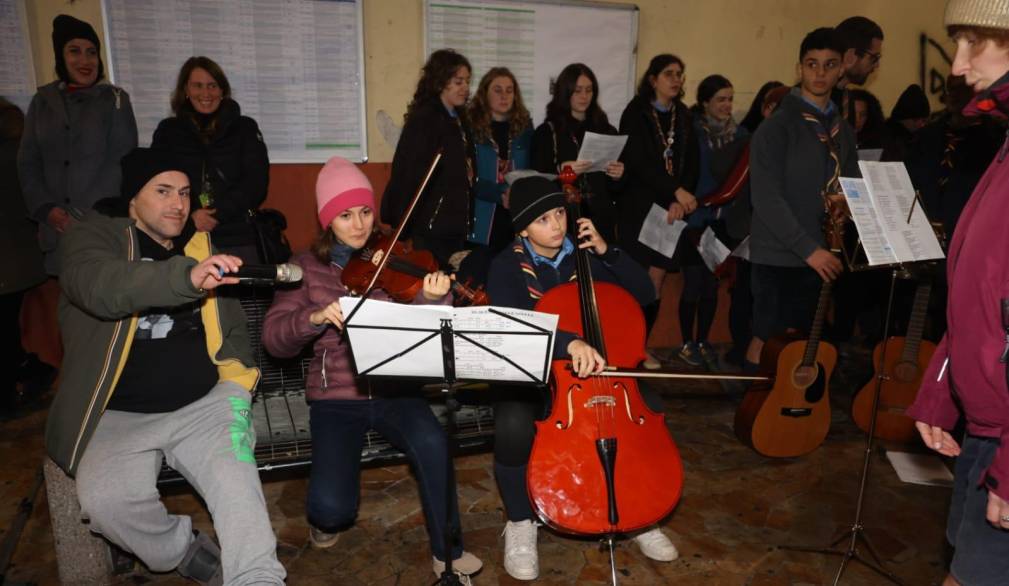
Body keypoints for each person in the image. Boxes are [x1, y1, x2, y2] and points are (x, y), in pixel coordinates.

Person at [47, 147, 285, 584]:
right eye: (162, 191)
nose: (178, 204)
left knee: (239, 493)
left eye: (184, 193)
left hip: (205, 405)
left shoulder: (202, 245)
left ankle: (257, 578)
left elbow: (231, 325)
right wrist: (186, 277)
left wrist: (236, 385)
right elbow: (102, 288)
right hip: (118, 414)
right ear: (133, 198)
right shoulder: (94, 240)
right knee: (106, 503)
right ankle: (183, 551)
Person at [261, 157, 482, 583]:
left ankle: (447, 552)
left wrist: (434, 301)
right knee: (331, 509)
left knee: (434, 445)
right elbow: (274, 338)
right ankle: (323, 518)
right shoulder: (305, 268)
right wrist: (313, 318)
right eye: (345, 215)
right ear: (328, 220)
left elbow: (428, 329)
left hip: (395, 390)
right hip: (336, 398)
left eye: (364, 211)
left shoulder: (396, 258)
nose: (359, 224)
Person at [485, 175, 675, 581]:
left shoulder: (588, 256)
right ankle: (520, 522)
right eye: (543, 220)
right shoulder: (505, 267)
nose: (556, 226)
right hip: (535, 376)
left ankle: (640, 514)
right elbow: (514, 327)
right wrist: (568, 343)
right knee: (513, 425)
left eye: (559, 214)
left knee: (649, 411)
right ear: (522, 228)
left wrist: (610, 252)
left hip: (600, 379)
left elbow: (645, 294)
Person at [908, 3, 1009, 585]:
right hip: (988, 428)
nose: (960, 65)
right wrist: (941, 388)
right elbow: (984, 296)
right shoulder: (1001, 146)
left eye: (976, 43)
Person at [744, 27, 859, 372]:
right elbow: (766, 198)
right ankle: (753, 412)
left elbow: (851, 185)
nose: (820, 73)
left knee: (803, 342)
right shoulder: (777, 127)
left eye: (829, 65)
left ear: (841, 70)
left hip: (823, 253)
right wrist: (809, 250)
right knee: (767, 339)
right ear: (799, 69)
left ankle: (787, 418)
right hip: (779, 253)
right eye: (812, 64)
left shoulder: (843, 130)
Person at [18, 14, 138, 275]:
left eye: (91, 52)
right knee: (60, 310)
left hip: (99, 227)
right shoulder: (41, 101)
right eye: (74, 51)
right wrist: (49, 211)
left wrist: (83, 217)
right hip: (54, 230)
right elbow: (28, 163)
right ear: (61, 56)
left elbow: (120, 162)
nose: (84, 60)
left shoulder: (115, 100)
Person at [618, 54, 700, 368]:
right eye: (669, 74)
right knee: (635, 280)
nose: (676, 80)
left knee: (656, 281)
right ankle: (624, 343)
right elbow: (638, 161)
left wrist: (681, 199)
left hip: (673, 211)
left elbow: (691, 164)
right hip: (640, 208)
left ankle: (642, 346)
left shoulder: (684, 114)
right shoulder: (636, 112)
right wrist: (673, 191)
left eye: (680, 74)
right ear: (653, 79)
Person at [152, 56, 270, 263]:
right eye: (197, 86)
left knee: (241, 293)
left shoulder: (245, 128)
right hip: (184, 233)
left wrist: (216, 215)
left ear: (222, 90)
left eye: (212, 86)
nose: (205, 93)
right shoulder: (168, 131)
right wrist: (192, 216)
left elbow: (256, 183)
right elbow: (157, 183)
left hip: (237, 235)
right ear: (185, 90)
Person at [674, 74, 749, 368]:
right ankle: (685, 342)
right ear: (705, 103)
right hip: (695, 220)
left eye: (730, 99)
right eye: (720, 99)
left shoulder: (742, 135)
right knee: (692, 284)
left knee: (711, 286)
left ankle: (703, 340)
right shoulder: (693, 133)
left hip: (724, 222)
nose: (727, 105)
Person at [382, 49, 475, 268]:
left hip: (455, 220)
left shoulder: (459, 117)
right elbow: (408, 173)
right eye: (458, 82)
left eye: (467, 82)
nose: (466, 88)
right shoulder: (426, 119)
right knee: (435, 279)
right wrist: (402, 225)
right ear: (441, 81)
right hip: (432, 223)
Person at [723, 85, 789, 367]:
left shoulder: (790, 143)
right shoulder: (754, 140)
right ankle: (743, 354)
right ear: (767, 110)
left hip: (778, 235)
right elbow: (732, 186)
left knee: (769, 303)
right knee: (746, 296)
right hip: (749, 230)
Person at [1, 98, 55, 418]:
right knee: (9, 334)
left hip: (10, 265)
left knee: (8, 335)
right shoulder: (17, 157)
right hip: (17, 264)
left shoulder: (17, 158)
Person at [531, 63, 624, 242]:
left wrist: (618, 175)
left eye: (589, 90)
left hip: (601, 219)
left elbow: (617, 189)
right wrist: (562, 171)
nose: (584, 96)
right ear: (565, 93)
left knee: (601, 268)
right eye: (578, 90)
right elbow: (538, 180)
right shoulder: (548, 131)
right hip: (563, 220)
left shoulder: (606, 129)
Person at [466, 67, 534, 252]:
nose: (504, 96)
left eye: (509, 90)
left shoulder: (525, 129)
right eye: (497, 90)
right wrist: (501, 193)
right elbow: (469, 179)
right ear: (484, 94)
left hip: (516, 217)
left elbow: (531, 170)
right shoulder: (470, 128)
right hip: (482, 218)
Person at [832, 16, 884, 125]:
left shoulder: (847, 101)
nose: (877, 65)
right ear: (851, 56)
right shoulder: (812, 98)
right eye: (874, 58)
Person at [881, 84, 931, 162]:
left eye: (925, 121)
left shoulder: (925, 135)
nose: (921, 124)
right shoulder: (887, 138)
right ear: (903, 119)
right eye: (916, 120)